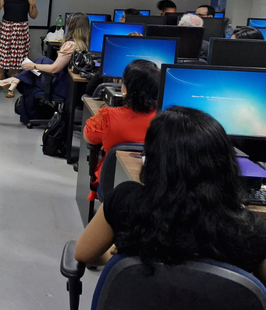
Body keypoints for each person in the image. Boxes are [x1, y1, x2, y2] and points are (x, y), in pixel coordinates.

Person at [74, 106, 266, 283]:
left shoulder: (124, 201)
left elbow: (84, 254)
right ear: (225, 164)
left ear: (154, 159)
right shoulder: (251, 231)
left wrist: (117, 257)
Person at [83, 59, 159, 201]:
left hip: (112, 185)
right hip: (152, 188)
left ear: (125, 88)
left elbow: (89, 137)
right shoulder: (165, 119)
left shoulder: (107, 117)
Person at [0, 13, 89, 125]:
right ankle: (15, 79)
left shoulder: (70, 45)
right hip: (74, 84)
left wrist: (33, 66)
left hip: (63, 86)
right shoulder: (88, 43)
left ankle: (14, 80)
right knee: (42, 60)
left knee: (32, 76)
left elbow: (54, 69)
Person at [0, 0, 38, 97]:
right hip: (7, 28)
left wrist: (33, 4)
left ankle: (12, 88)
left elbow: (33, 15)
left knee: (17, 61)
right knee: (2, 59)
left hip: (21, 29)